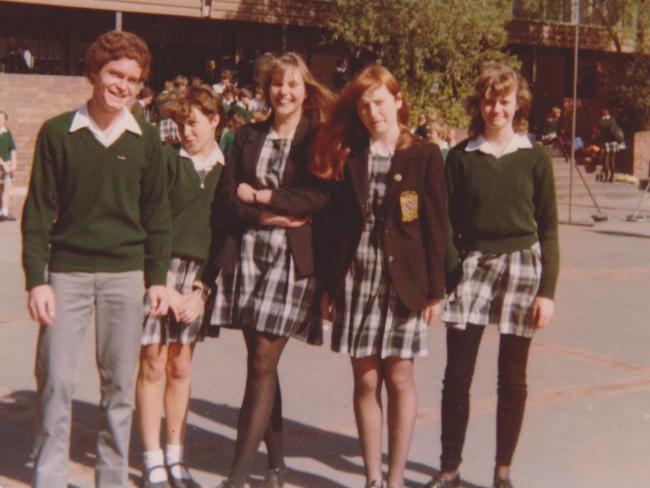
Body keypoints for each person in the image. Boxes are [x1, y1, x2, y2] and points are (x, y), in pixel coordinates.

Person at [21, 30, 171, 488]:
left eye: (133, 79)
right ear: (95, 72)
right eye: (115, 73)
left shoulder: (146, 140)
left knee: (120, 388)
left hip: (125, 276)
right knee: (56, 383)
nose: (123, 85)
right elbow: (39, 211)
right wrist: (36, 280)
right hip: (67, 274)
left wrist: (159, 278)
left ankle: (110, 478)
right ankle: (49, 475)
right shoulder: (57, 133)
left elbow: (158, 215)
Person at [312, 65, 447, 488]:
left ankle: (395, 478)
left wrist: (435, 290)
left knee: (400, 378)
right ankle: (372, 478)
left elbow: (436, 227)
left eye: (380, 102)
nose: (373, 112)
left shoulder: (424, 154)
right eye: (365, 105)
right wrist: (328, 287)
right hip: (357, 277)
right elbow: (334, 228)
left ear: (399, 101)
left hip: (404, 281)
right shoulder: (351, 156)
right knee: (366, 378)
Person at [205, 52, 334, 488]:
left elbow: (319, 198)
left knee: (262, 357)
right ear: (268, 90)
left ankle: (237, 477)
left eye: (294, 85)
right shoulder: (245, 137)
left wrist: (262, 199)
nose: (285, 92)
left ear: (305, 90)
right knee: (263, 363)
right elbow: (225, 200)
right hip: (246, 252)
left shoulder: (318, 137)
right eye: (278, 84)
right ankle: (276, 467)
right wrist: (265, 217)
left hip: (291, 258)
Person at [428, 63, 559, 488]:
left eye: (504, 100)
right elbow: (445, 222)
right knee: (458, 376)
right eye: (488, 99)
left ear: (517, 104)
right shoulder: (462, 157)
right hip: (474, 265)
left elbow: (550, 227)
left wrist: (548, 292)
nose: (496, 108)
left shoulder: (534, 156)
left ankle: (503, 471)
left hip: (522, 265)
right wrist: (452, 272)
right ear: (478, 103)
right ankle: (449, 469)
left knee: (513, 377)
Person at [136, 85, 225, 488]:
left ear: (214, 121)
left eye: (194, 123)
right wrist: (162, 284)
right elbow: (151, 219)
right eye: (180, 124)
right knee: (153, 361)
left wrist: (201, 290)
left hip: (196, 280)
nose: (186, 132)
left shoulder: (227, 170)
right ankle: (152, 456)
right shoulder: (169, 163)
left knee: (181, 364)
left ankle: (176, 456)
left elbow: (224, 235)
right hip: (160, 269)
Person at [594, 106, 624, 182]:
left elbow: (597, 134)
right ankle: (612, 177)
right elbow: (617, 130)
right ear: (608, 113)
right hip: (614, 142)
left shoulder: (599, 122)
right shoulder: (612, 120)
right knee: (612, 160)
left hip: (605, 142)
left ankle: (606, 177)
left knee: (606, 160)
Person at [0, 110, 18, 221]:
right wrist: (2, 164)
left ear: (5, 120)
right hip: (2, 165)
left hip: (7, 164)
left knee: (7, 188)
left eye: (2, 118)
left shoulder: (7, 133)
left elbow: (12, 149)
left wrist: (14, 163)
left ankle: (4, 213)